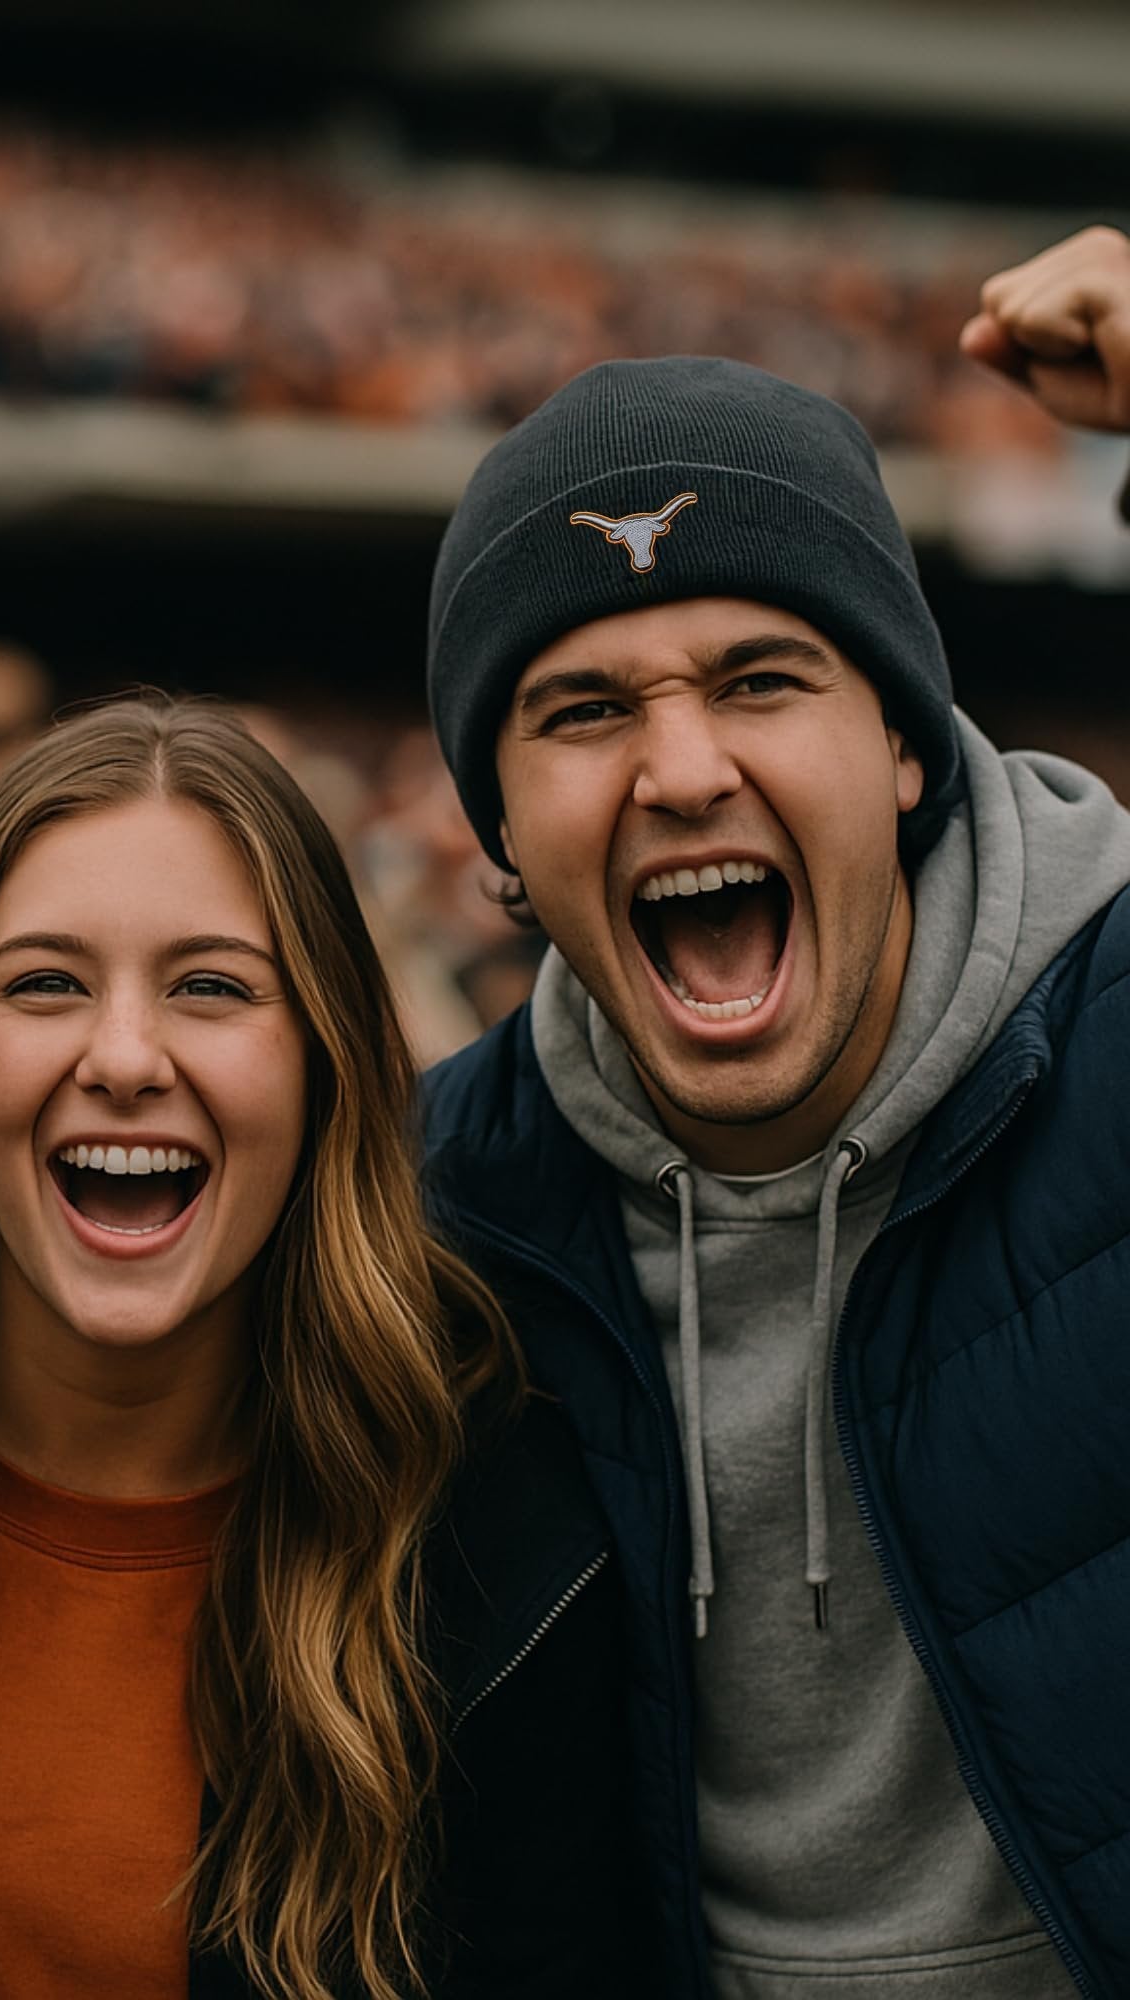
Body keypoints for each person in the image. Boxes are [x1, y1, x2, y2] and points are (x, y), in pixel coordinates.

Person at [418, 222, 1130, 1998]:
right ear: (499, 831)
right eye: (583, 709)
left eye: (760, 679)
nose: (681, 770)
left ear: (902, 745)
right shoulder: (429, 1214)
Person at [0, 696, 646, 1999]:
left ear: (321, 1062)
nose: (125, 1057)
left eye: (210, 986)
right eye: (45, 983)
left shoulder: (499, 1541)